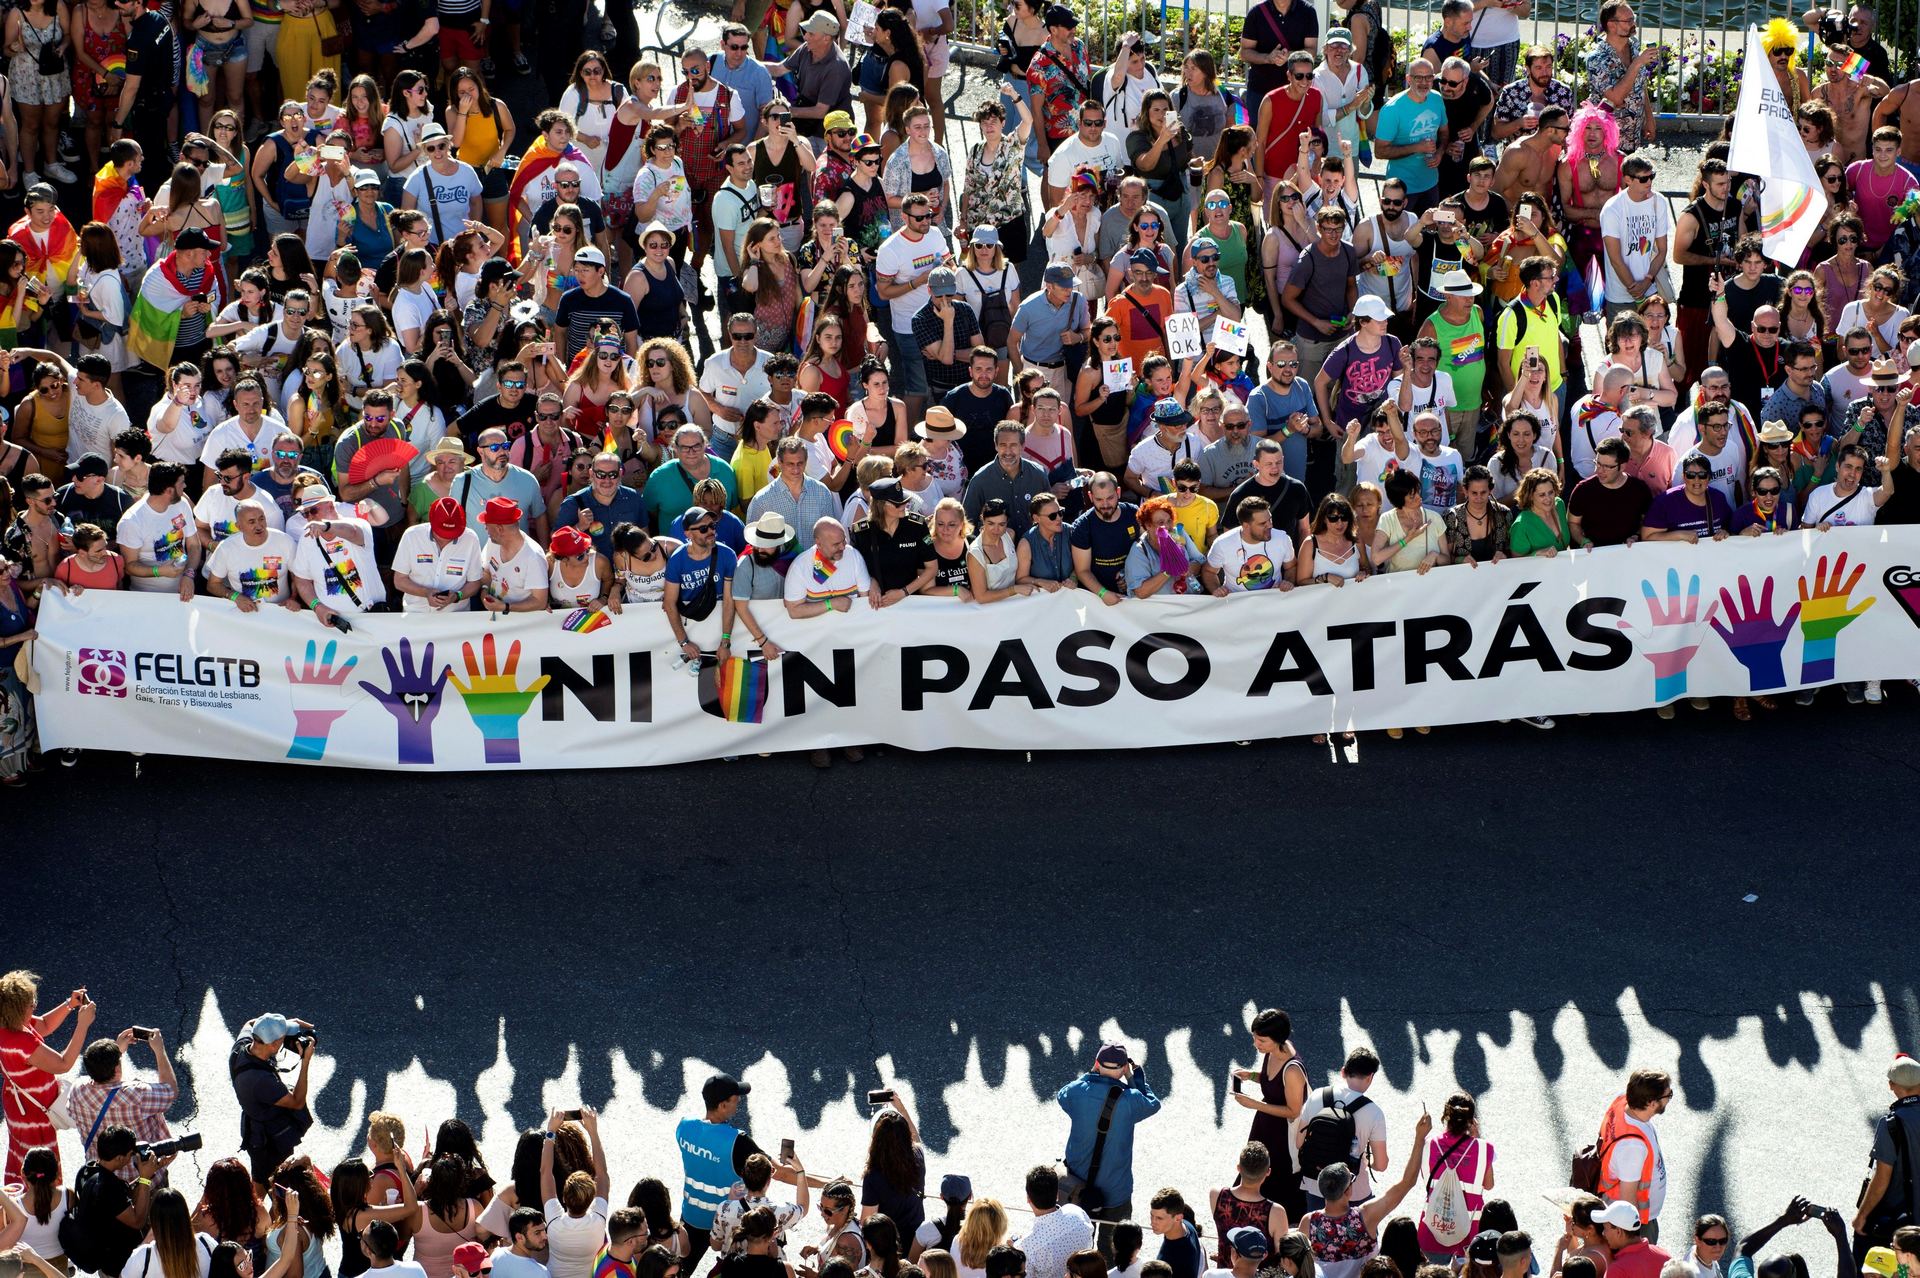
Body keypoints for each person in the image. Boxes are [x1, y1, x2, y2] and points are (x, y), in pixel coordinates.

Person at [1302, 1112, 1432, 1278]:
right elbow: (1407, 1183)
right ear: (1348, 1191)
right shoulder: (1366, 1216)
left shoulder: (1308, 1223)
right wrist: (1420, 1138)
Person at [1057, 1042, 1161, 1237]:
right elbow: (1152, 1103)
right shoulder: (1131, 1099)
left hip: (1078, 1187)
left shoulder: (1077, 1092)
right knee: (1113, 1251)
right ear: (1123, 1068)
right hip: (1116, 1190)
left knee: (1078, 1245)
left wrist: (1090, 1074)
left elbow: (1062, 1095)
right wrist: (1133, 1077)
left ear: (1097, 1063)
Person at [229, 1013, 316, 1186]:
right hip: (271, 1143)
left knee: (260, 1180)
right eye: (283, 1038)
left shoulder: (241, 1047)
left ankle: (255, 1210)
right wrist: (305, 1061)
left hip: (255, 1136)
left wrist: (284, 1024)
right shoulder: (261, 1081)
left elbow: (249, 1021)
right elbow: (297, 1102)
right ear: (275, 1043)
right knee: (281, 1188)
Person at [1569, 438, 1652, 548]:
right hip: (1593, 555)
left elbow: (1647, 521)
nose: (1599, 470)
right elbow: (1573, 523)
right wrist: (1583, 541)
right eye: (1597, 463)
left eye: (1607, 467)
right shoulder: (1583, 490)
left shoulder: (1640, 489)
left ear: (1622, 466)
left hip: (1627, 554)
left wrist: (1637, 535)